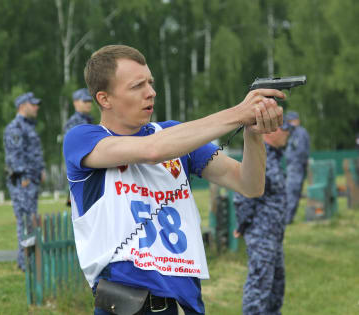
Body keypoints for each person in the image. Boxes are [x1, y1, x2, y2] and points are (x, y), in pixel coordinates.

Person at [63, 44, 285, 315]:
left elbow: (250, 185)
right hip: (126, 305)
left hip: (182, 303)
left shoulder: (173, 135)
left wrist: (253, 131)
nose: (151, 92)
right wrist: (239, 112)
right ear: (104, 99)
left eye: (151, 82)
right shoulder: (83, 138)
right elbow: (152, 150)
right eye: (137, 86)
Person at [233, 119, 292, 315]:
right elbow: (244, 194)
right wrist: (242, 225)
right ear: (271, 132)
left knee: (276, 285)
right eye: (283, 130)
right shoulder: (259, 155)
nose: (287, 134)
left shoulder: (275, 156)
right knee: (259, 286)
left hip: (275, 234)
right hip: (261, 234)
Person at [4, 92, 45, 271]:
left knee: (30, 219)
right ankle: (25, 262)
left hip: (30, 180)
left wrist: (40, 171)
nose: (36, 108)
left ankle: (28, 260)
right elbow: (14, 157)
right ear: (22, 106)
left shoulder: (27, 127)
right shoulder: (16, 128)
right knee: (26, 220)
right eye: (33, 104)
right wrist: (25, 178)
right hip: (23, 182)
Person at [284, 111, 310, 224]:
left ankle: (287, 218)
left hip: (296, 166)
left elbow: (301, 151)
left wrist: (297, 163)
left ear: (296, 121)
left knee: (292, 191)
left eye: (291, 121)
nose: (289, 124)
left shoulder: (300, 133)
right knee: (292, 192)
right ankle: (288, 217)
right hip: (294, 166)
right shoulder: (293, 132)